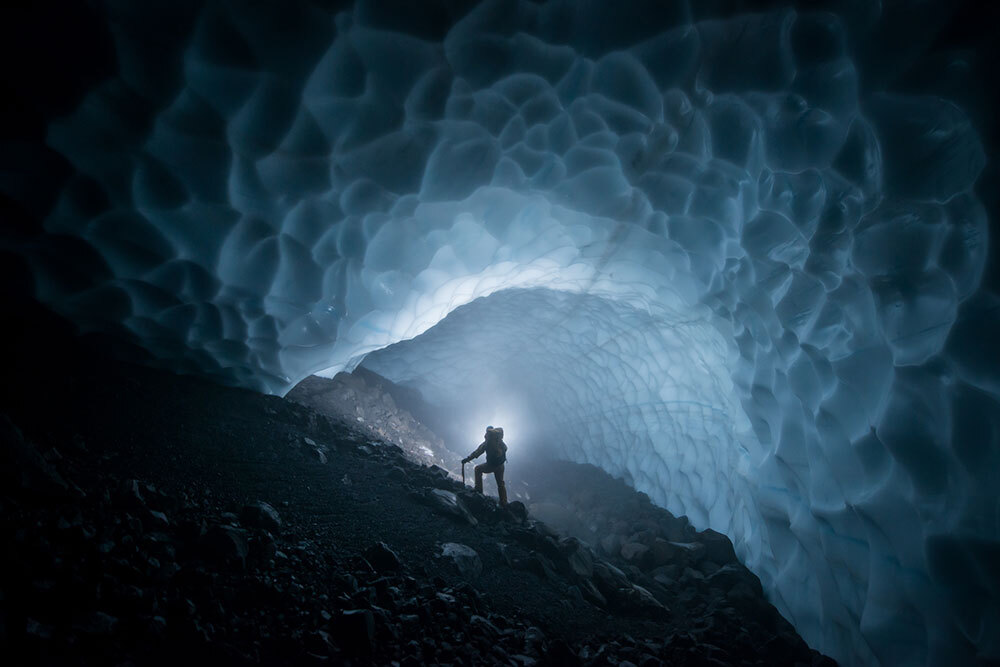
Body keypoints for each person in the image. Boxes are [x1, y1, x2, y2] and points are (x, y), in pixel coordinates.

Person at [462, 426, 508, 507]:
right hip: (501, 465)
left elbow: (477, 452)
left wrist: (467, 459)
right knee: (500, 483)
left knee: (478, 469)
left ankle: (478, 490)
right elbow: (505, 448)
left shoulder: (487, 442)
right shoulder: (500, 440)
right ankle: (504, 503)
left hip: (491, 465)